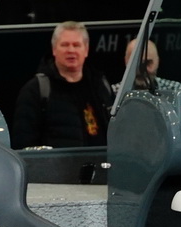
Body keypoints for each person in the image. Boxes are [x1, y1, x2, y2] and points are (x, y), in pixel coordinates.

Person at [10, 21, 114, 149]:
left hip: (101, 161)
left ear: (86, 50)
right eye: (65, 45)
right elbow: (23, 144)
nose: (71, 50)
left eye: (76, 45)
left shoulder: (100, 85)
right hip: (54, 162)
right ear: (54, 49)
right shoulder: (35, 90)